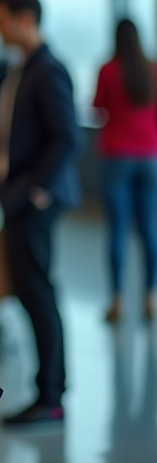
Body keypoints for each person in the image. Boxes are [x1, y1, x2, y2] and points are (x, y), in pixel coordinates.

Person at [0, 0, 80, 427]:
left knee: (38, 294)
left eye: (0, 19)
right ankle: (49, 393)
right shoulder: (18, 71)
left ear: (24, 19)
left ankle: (51, 397)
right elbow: (5, 148)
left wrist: (34, 192)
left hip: (34, 204)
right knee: (31, 291)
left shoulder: (48, 70)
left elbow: (67, 138)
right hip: (17, 198)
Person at [93, 18, 157, 323]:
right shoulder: (152, 68)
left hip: (117, 155)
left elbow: (97, 107)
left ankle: (117, 300)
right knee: (149, 229)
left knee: (117, 231)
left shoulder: (108, 69)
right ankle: (149, 297)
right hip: (149, 156)